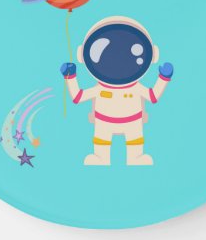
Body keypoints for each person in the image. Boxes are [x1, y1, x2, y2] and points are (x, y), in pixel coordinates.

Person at [60, 16, 174, 166]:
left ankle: (136, 157)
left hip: (132, 121)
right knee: (102, 142)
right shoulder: (100, 89)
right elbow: (78, 97)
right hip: (104, 122)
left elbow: (152, 96)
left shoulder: (134, 87)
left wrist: (164, 78)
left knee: (135, 142)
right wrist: (70, 77)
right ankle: (101, 157)